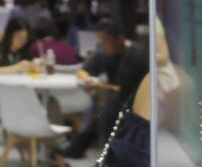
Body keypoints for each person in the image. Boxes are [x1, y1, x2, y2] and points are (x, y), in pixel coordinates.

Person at [62, 18, 150, 158]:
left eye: (105, 42)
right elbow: (82, 71)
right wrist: (88, 80)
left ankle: (103, 157)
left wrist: (101, 86)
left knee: (106, 114)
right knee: (102, 115)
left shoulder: (136, 56)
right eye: (100, 42)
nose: (102, 46)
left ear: (120, 39)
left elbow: (124, 88)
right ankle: (75, 152)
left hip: (136, 101)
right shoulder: (105, 53)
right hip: (117, 101)